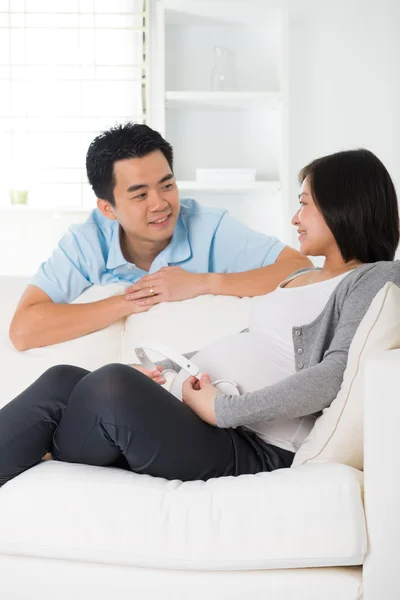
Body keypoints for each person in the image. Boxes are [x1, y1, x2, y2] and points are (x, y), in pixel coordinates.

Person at [1, 148, 399, 487]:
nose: (295, 218)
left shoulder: (376, 277)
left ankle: (48, 447)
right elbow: (253, 341)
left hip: (256, 445)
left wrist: (222, 409)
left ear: (343, 205)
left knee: (109, 385)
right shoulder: (302, 277)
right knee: (65, 378)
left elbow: (335, 375)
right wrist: (160, 370)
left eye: (305, 203)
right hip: (213, 424)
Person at [9, 122, 310, 351]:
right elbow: (23, 330)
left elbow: (299, 268)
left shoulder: (210, 227)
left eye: (167, 186)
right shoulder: (85, 243)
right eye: (140, 195)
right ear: (108, 209)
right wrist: (129, 302)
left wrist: (203, 283)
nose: (160, 204)